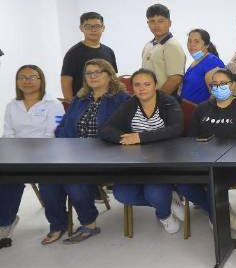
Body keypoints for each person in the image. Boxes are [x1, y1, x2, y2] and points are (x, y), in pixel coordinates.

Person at [38, 59, 130, 244]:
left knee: (74, 181)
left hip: (105, 155)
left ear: (109, 75)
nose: (93, 76)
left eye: (98, 72)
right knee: (47, 180)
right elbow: (63, 126)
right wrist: (65, 149)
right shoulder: (79, 99)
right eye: (89, 73)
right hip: (73, 153)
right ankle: (58, 225)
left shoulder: (122, 99)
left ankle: (89, 224)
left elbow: (125, 131)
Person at [100, 69, 184, 233]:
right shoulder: (130, 104)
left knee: (154, 192)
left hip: (164, 161)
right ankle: (167, 202)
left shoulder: (168, 102)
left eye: (147, 84)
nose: (142, 88)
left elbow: (176, 128)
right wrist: (125, 138)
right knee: (122, 194)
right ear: (132, 87)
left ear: (155, 85)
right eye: (137, 85)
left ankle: (164, 215)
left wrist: (140, 137)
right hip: (136, 162)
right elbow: (106, 129)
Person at [176, 68, 236, 229]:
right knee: (182, 182)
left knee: (214, 180)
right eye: (215, 84)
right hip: (203, 161)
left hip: (232, 164)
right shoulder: (202, 109)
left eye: (223, 83)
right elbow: (191, 139)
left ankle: (218, 215)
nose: (219, 87)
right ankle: (219, 211)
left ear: (233, 85)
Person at [0, 65, 65, 246]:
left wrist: (27, 153)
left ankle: (58, 225)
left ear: (41, 80)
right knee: (5, 179)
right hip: (17, 155)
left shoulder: (53, 104)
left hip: (47, 155)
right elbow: (8, 134)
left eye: (32, 77)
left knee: (49, 185)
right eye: (22, 77)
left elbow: (52, 135)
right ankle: (5, 222)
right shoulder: (12, 105)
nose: (27, 81)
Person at [60, 11, 118, 102]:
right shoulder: (73, 53)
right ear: (81, 28)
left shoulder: (109, 51)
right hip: (82, 102)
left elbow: (113, 78)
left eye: (97, 26)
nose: (93, 30)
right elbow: (66, 80)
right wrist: (71, 104)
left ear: (103, 28)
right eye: (88, 26)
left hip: (107, 102)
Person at [141, 3, 186, 95]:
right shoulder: (148, 45)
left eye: (160, 21)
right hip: (148, 98)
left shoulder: (172, 45)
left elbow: (175, 78)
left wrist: (157, 100)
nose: (156, 25)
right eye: (152, 21)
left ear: (169, 23)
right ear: (148, 24)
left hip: (165, 100)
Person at [179, 29, 225, 105]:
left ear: (206, 45)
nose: (191, 44)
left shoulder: (212, 63)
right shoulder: (196, 62)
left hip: (199, 110)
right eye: (189, 41)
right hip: (186, 108)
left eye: (196, 41)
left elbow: (217, 97)